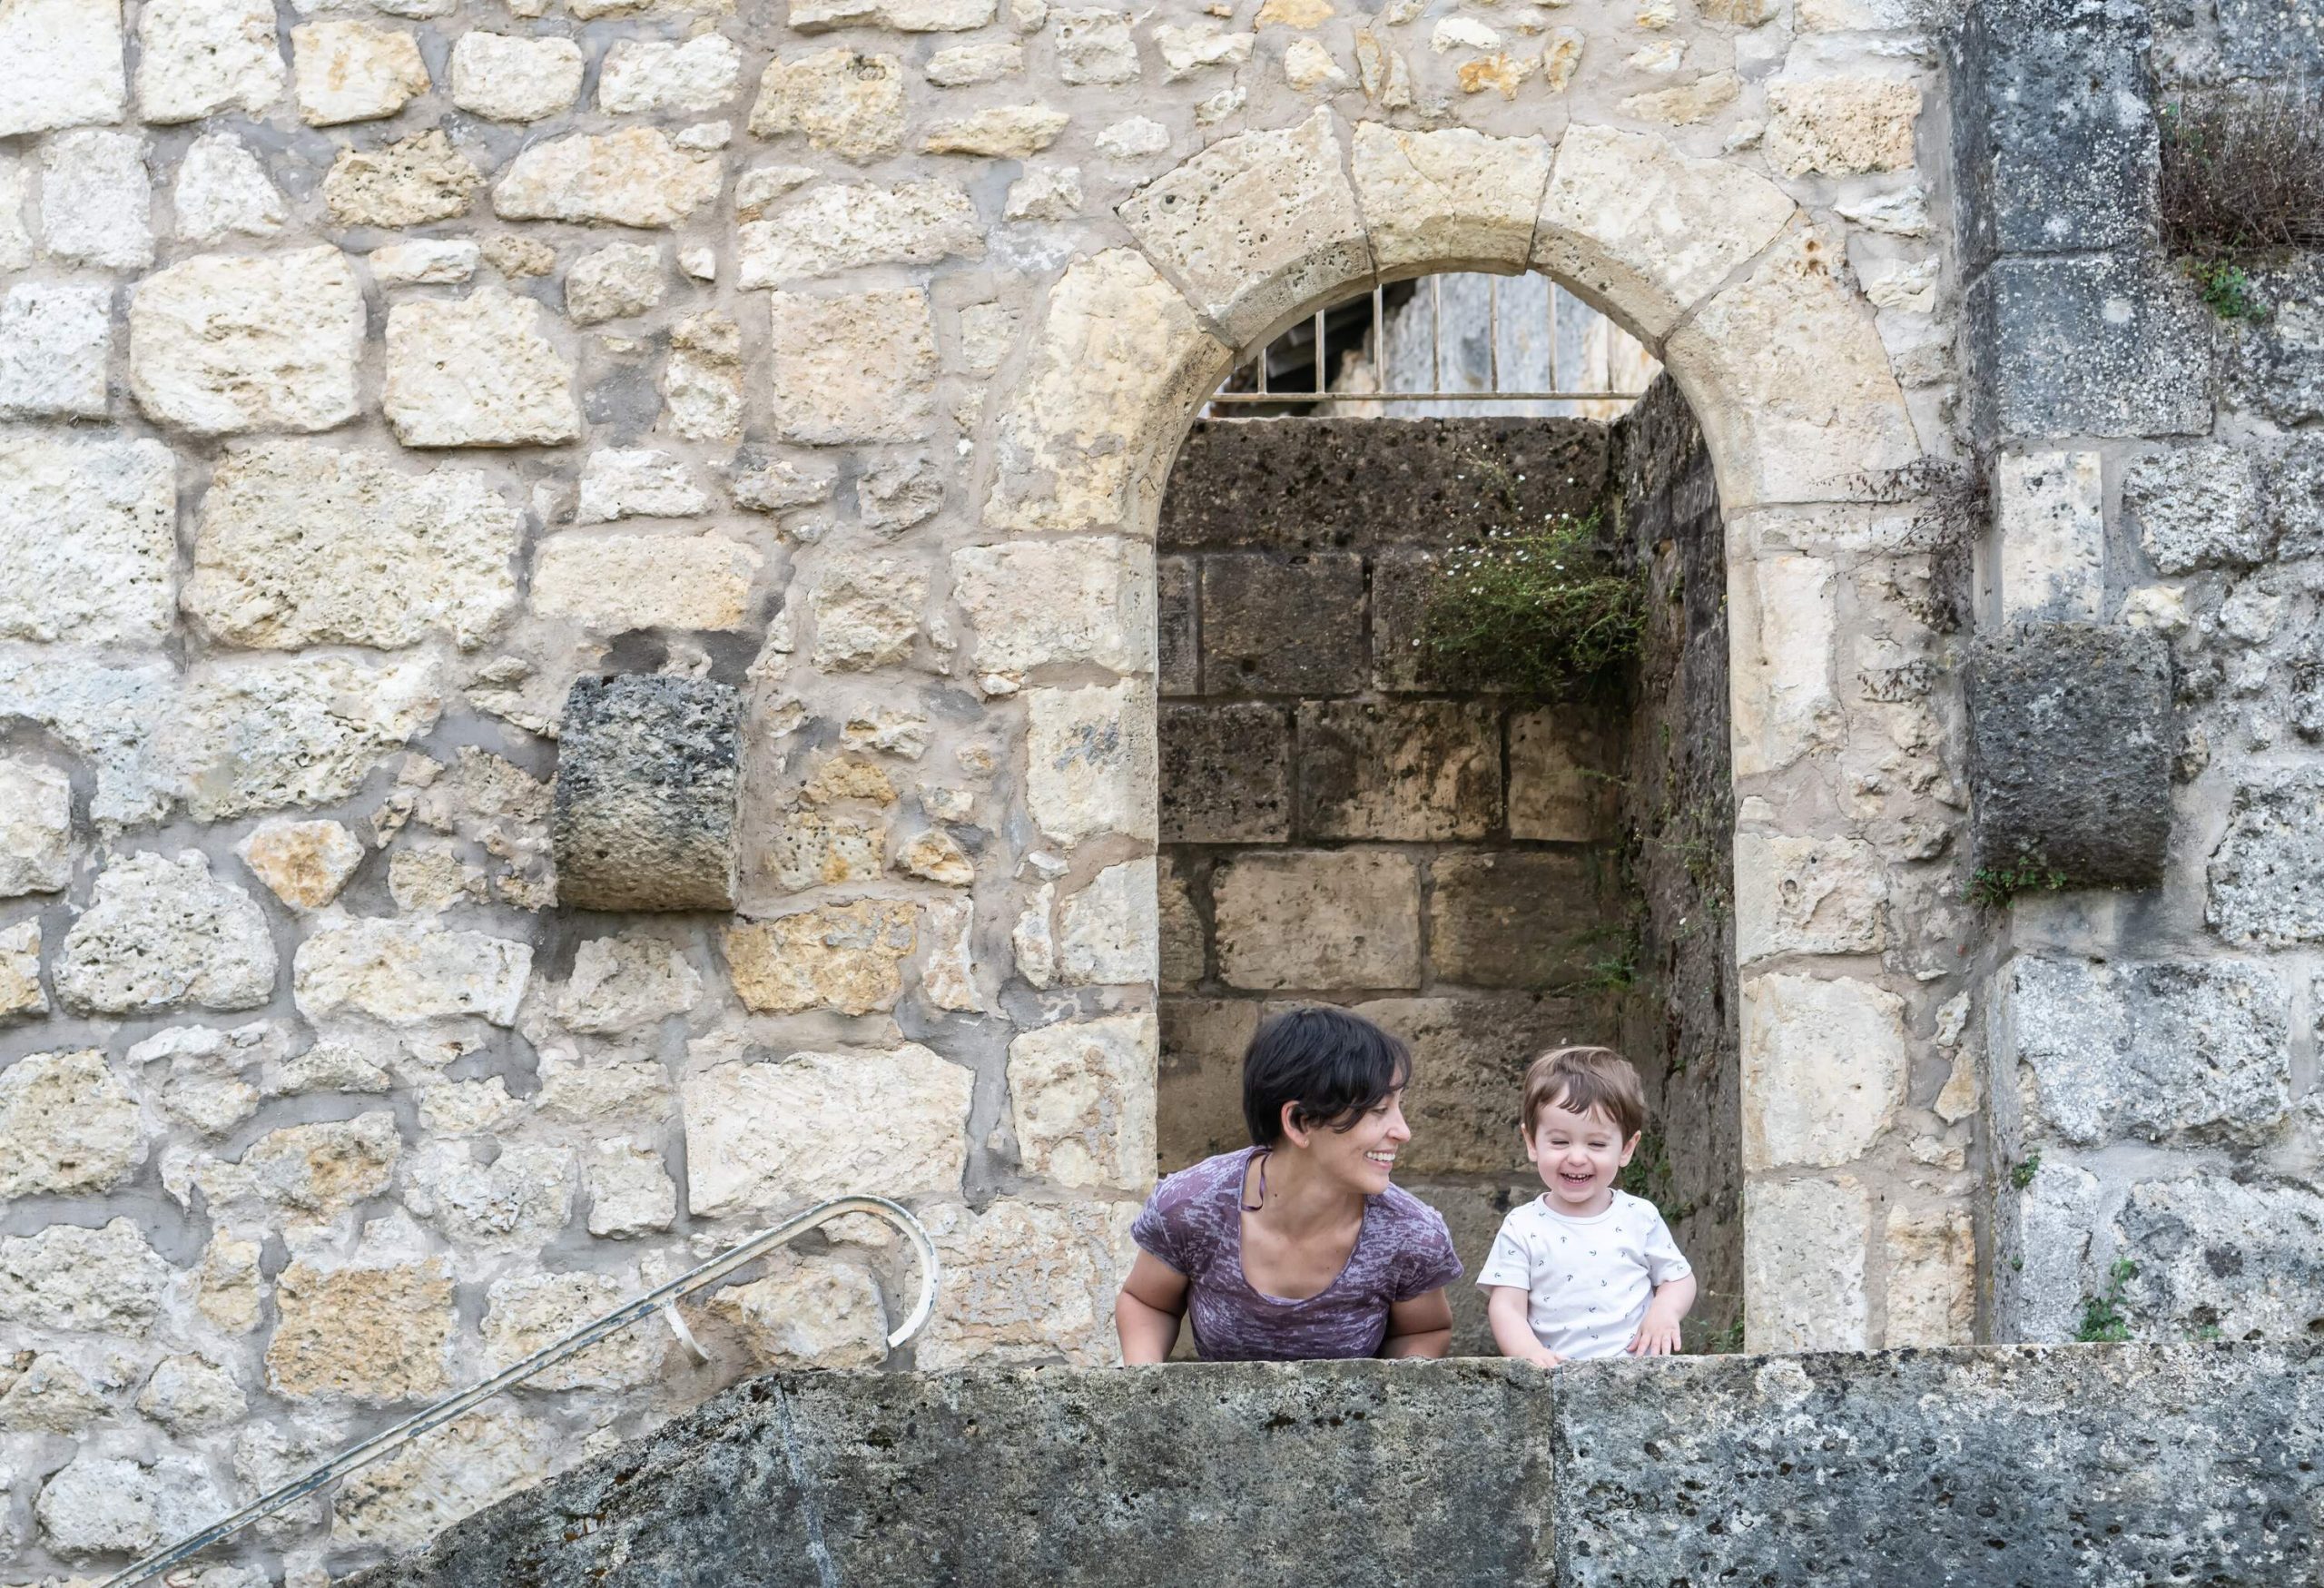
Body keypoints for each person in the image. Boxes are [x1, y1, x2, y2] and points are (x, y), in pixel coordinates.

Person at [1115, 1007, 1462, 1363]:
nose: (1403, 1132)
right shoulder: (1189, 1206)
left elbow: (1423, 1330)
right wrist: (1147, 1389)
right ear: (1299, 1122)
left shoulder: (1412, 1233)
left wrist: (1395, 1399)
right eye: (1378, 1110)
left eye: (1398, 1108)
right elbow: (1147, 1302)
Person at [1478, 1046, 1695, 1367]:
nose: (1577, 1157)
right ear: (1531, 1142)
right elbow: (1506, 1306)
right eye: (1560, 1142)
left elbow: (1678, 1278)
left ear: (1627, 1148)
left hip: (1637, 1373)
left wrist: (1665, 1311)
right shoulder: (1522, 1227)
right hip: (1554, 1376)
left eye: (1596, 1144)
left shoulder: (1639, 1217)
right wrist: (1528, 1353)